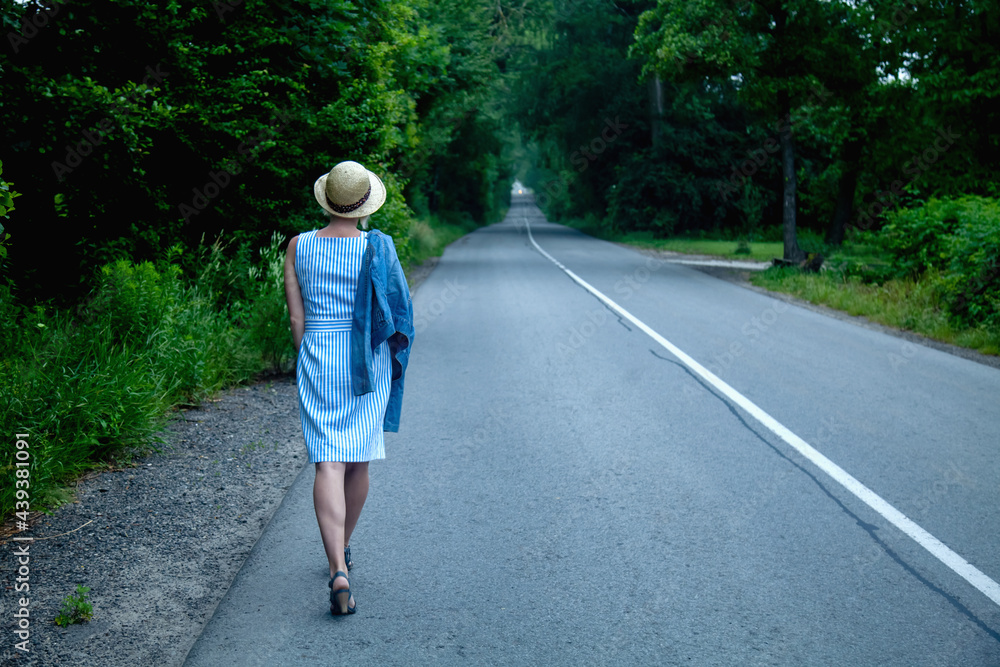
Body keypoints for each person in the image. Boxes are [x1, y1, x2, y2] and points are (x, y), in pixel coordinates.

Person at [283, 160, 414, 616]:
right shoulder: (378, 248)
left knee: (327, 461)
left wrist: (308, 360)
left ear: (328, 200)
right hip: (366, 359)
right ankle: (343, 552)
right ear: (364, 205)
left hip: (318, 354)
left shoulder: (298, 246)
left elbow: (296, 318)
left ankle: (337, 565)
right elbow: (398, 312)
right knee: (358, 461)